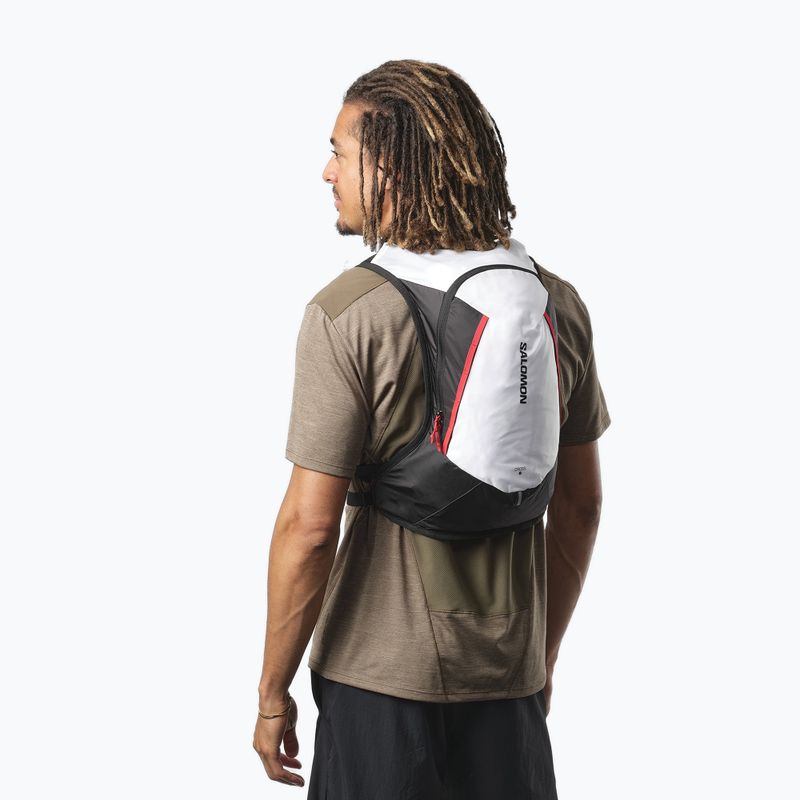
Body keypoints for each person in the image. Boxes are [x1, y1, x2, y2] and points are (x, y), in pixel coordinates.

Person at [253, 59, 610, 798]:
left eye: (340, 153)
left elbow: (308, 530)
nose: (327, 172)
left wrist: (271, 692)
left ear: (388, 168)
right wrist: (539, 659)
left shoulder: (350, 312)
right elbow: (579, 506)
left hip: (376, 683)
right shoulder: (556, 304)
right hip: (509, 689)